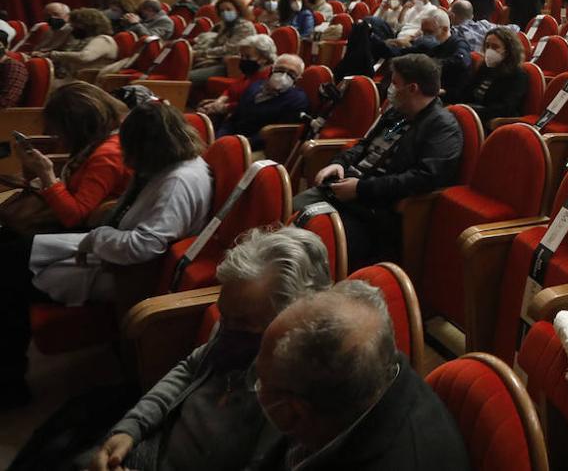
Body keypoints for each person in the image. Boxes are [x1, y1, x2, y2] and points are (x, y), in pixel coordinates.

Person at [1, 101, 211, 404]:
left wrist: (97, 237)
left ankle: (10, 386)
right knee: (10, 254)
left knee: (9, 280)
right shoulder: (167, 163)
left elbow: (146, 246)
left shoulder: (178, 181)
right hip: (108, 246)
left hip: (128, 273)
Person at [77, 228, 331, 471]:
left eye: (242, 322)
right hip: (151, 446)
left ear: (291, 321)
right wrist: (130, 428)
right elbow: (190, 368)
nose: (224, 327)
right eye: (223, 314)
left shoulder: (296, 400)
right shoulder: (238, 327)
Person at [251, 280, 469, 471]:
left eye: (261, 379)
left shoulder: (406, 458)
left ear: (295, 412)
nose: (255, 385)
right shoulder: (378, 367)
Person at [298, 54, 463, 268]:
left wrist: (361, 189)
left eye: (395, 83)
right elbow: (368, 146)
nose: (389, 89)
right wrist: (339, 163)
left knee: (307, 245)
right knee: (287, 214)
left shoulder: (442, 127)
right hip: (346, 189)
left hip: (373, 210)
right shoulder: (399, 116)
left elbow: (423, 178)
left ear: (412, 88)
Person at [7, 82, 129, 235]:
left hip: (83, 233)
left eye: (59, 130)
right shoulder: (102, 140)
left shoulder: (108, 154)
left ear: (77, 127)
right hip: (64, 217)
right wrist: (33, 168)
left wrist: (47, 175)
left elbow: (74, 217)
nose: (58, 137)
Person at [215, 53, 309, 148]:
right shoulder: (254, 87)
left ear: (298, 78)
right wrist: (221, 138)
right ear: (272, 69)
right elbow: (233, 118)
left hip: (257, 148)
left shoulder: (297, 100)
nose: (284, 76)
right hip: (232, 140)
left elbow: (276, 135)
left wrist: (238, 145)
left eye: (291, 73)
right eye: (280, 69)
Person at [460, 27, 528, 126]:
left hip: (493, 120)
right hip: (473, 113)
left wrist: (471, 112)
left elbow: (506, 108)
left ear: (508, 50)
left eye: (495, 47)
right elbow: (467, 90)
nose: (489, 50)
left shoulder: (518, 75)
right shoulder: (484, 67)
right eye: (487, 46)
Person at [37, 8, 117, 85]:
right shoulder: (84, 40)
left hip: (89, 82)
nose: (72, 29)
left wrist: (52, 54)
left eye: (75, 26)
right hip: (75, 79)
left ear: (88, 25)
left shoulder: (103, 40)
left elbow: (84, 57)